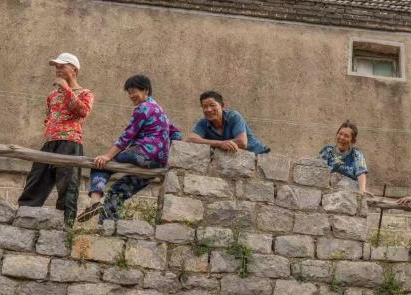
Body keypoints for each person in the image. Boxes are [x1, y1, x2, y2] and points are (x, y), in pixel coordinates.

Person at [77, 74, 181, 222]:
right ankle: (109, 226)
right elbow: (176, 134)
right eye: (129, 93)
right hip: (158, 163)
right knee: (117, 192)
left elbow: (127, 136)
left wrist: (107, 156)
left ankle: (94, 203)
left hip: (143, 155)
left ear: (145, 90)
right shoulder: (159, 110)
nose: (131, 96)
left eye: (133, 91)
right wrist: (165, 154)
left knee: (100, 164)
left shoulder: (143, 108)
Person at [17, 52, 94, 225]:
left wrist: (66, 89)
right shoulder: (52, 95)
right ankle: (23, 219)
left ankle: (65, 227)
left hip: (70, 142)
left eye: (61, 66)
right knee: (36, 180)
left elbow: (82, 111)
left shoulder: (85, 93)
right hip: (49, 142)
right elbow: (48, 117)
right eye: (56, 67)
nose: (57, 70)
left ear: (74, 70)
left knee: (68, 186)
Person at [189, 91, 269, 154]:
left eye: (212, 105)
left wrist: (215, 144)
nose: (209, 110)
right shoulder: (203, 122)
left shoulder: (233, 116)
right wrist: (220, 144)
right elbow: (191, 139)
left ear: (222, 106)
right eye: (205, 106)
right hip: (233, 160)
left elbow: (242, 142)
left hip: (259, 155)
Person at [319, 120, 369, 195]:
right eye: (340, 134)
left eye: (346, 136)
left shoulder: (356, 154)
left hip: (348, 193)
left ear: (353, 141)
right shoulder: (327, 150)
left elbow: (361, 173)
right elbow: (318, 169)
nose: (342, 138)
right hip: (327, 191)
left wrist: (362, 190)